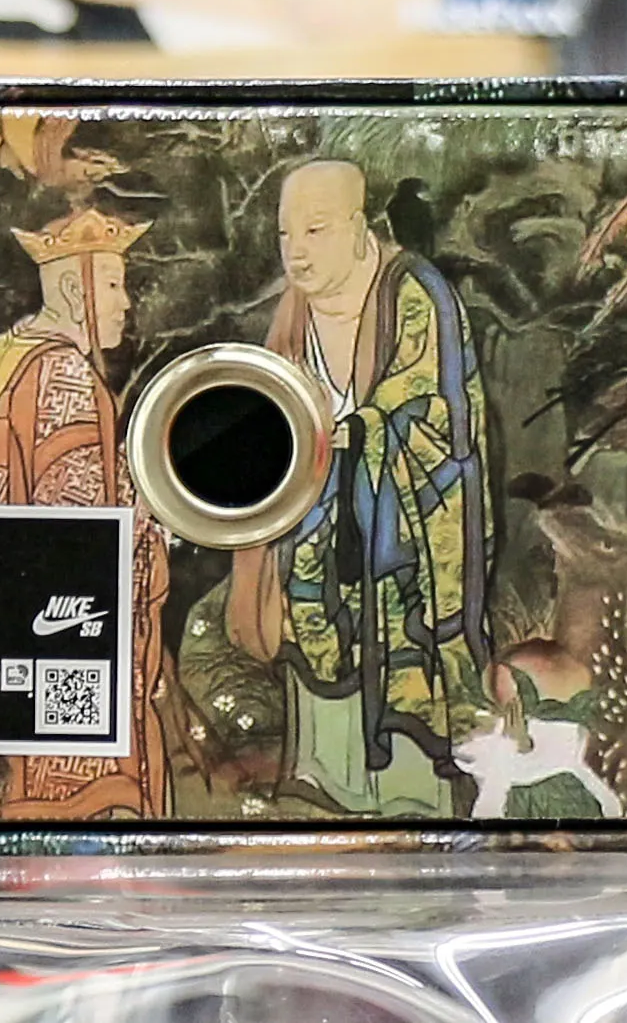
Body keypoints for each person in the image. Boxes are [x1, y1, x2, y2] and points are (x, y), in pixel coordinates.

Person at [228, 160, 491, 816]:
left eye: (315, 230)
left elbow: (434, 405)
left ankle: (410, 794)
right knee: (313, 622)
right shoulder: (293, 311)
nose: (296, 251)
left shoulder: (414, 291)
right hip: (320, 511)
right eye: (286, 233)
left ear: (357, 226)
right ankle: (327, 779)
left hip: (404, 516)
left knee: (404, 639)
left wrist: (357, 429)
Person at [0, 206, 169, 819]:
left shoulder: (0, 355)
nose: (126, 303)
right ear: (74, 291)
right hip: (56, 633)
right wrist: (153, 515)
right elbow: (81, 533)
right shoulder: (63, 372)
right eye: (115, 285)